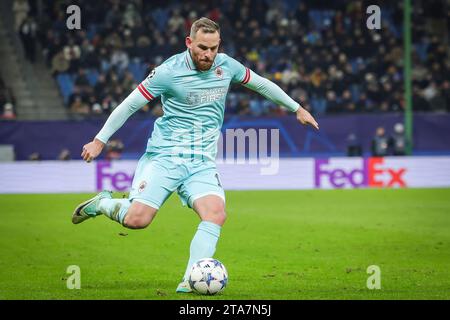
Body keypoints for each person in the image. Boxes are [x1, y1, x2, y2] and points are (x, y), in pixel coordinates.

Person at [72, 17, 319, 293]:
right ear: (189, 43)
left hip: (201, 163)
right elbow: (129, 105)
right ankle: (102, 203)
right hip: (165, 157)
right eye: (203, 48)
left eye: (214, 48)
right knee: (136, 220)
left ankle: (191, 279)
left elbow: (261, 84)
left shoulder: (227, 66)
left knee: (215, 214)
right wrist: (99, 141)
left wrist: (296, 107)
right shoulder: (168, 72)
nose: (209, 55)